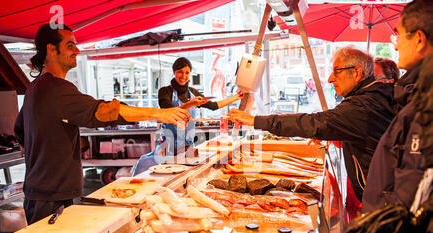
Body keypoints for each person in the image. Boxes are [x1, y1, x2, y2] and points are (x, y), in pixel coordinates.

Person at [14, 24, 191, 224]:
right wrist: (159, 114)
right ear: (51, 49)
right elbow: (102, 111)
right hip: (51, 196)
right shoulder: (56, 88)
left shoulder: (34, 89)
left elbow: (19, 130)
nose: (77, 51)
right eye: (70, 45)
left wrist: (50, 146)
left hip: (40, 192)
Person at [228, 47, 396, 202]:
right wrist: (334, 134)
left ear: (357, 72)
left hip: (383, 199)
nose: (331, 79)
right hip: (385, 191)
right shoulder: (375, 96)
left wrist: (255, 120)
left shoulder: (363, 106)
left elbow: (313, 122)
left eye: (337, 72)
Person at [361, 0, 433, 213]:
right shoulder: (415, 96)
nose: (395, 44)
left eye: (398, 35)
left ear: (419, 39)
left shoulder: (425, 106)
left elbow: (412, 193)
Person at [132, 57, 243, 175]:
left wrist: (236, 97)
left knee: (184, 176)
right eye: (180, 72)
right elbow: (169, 112)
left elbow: (214, 105)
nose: (183, 76)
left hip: (187, 147)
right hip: (167, 146)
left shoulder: (193, 92)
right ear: (174, 72)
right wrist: (192, 103)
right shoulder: (165, 91)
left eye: (187, 73)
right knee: (162, 174)